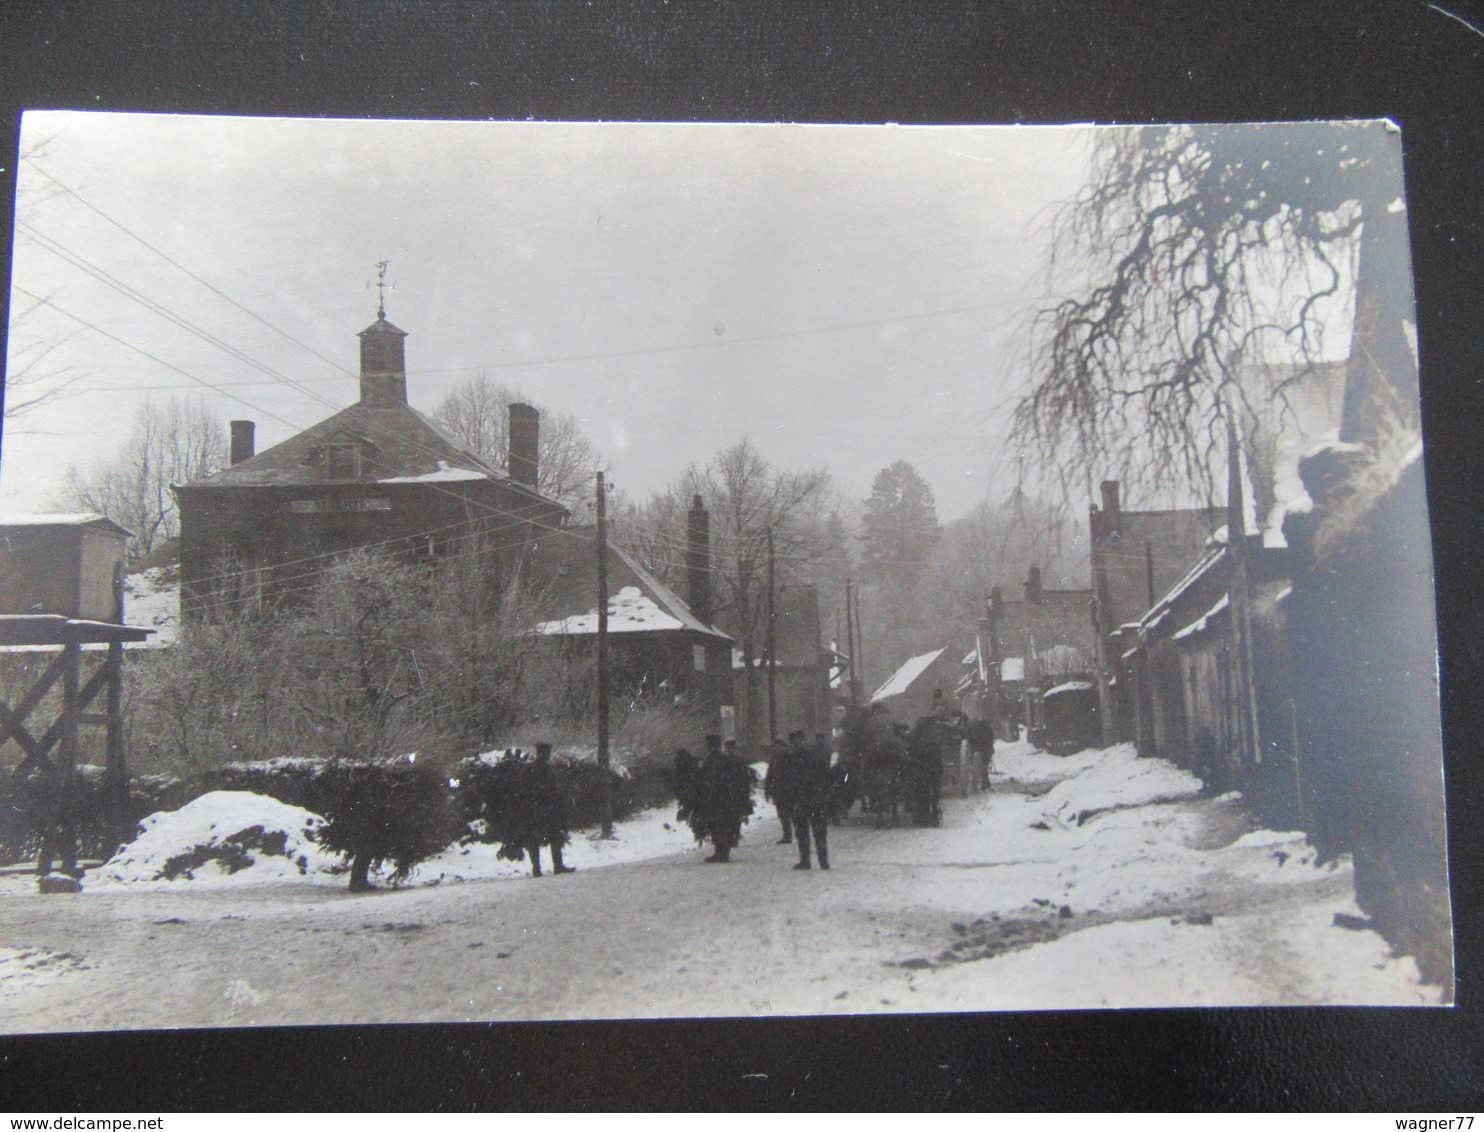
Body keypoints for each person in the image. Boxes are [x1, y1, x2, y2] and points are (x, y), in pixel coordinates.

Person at [687, 734, 756, 863]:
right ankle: (721, 852)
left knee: (719, 826)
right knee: (719, 826)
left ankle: (722, 853)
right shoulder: (718, 758)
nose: (709, 746)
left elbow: (717, 778)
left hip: (719, 799)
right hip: (720, 799)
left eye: (710, 744)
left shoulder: (718, 759)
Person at [790, 733, 834, 870]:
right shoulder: (821, 764)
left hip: (803, 801)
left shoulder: (798, 765)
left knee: (802, 831)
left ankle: (805, 860)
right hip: (818, 800)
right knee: (820, 831)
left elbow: (794, 783)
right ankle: (823, 860)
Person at [764, 733, 803, 844]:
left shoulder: (782, 757)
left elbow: (770, 774)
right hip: (785, 790)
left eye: (777, 745)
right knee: (787, 814)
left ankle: (789, 836)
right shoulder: (787, 756)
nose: (776, 748)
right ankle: (794, 835)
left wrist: (767, 790)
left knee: (785, 814)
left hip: (783, 790)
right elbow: (770, 775)